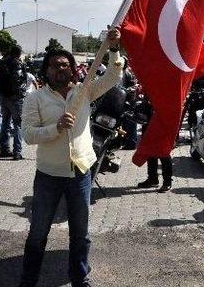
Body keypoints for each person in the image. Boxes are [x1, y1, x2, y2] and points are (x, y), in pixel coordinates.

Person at [19, 28, 123, 287]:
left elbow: (113, 76)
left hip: (80, 173)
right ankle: (29, 280)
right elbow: (28, 135)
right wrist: (56, 128)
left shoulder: (85, 90)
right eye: (54, 66)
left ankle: (80, 277)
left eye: (65, 65)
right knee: (38, 232)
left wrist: (112, 48)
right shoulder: (35, 98)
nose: (60, 69)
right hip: (49, 175)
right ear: (46, 71)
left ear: (73, 69)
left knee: (81, 233)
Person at [0, 45, 27, 160]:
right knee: (18, 124)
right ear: (18, 53)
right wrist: (20, 94)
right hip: (15, 98)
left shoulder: (2, 63)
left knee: (5, 123)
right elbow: (20, 80)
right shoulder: (18, 64)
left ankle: (4, 149)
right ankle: (17, 152)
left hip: (4, 97)